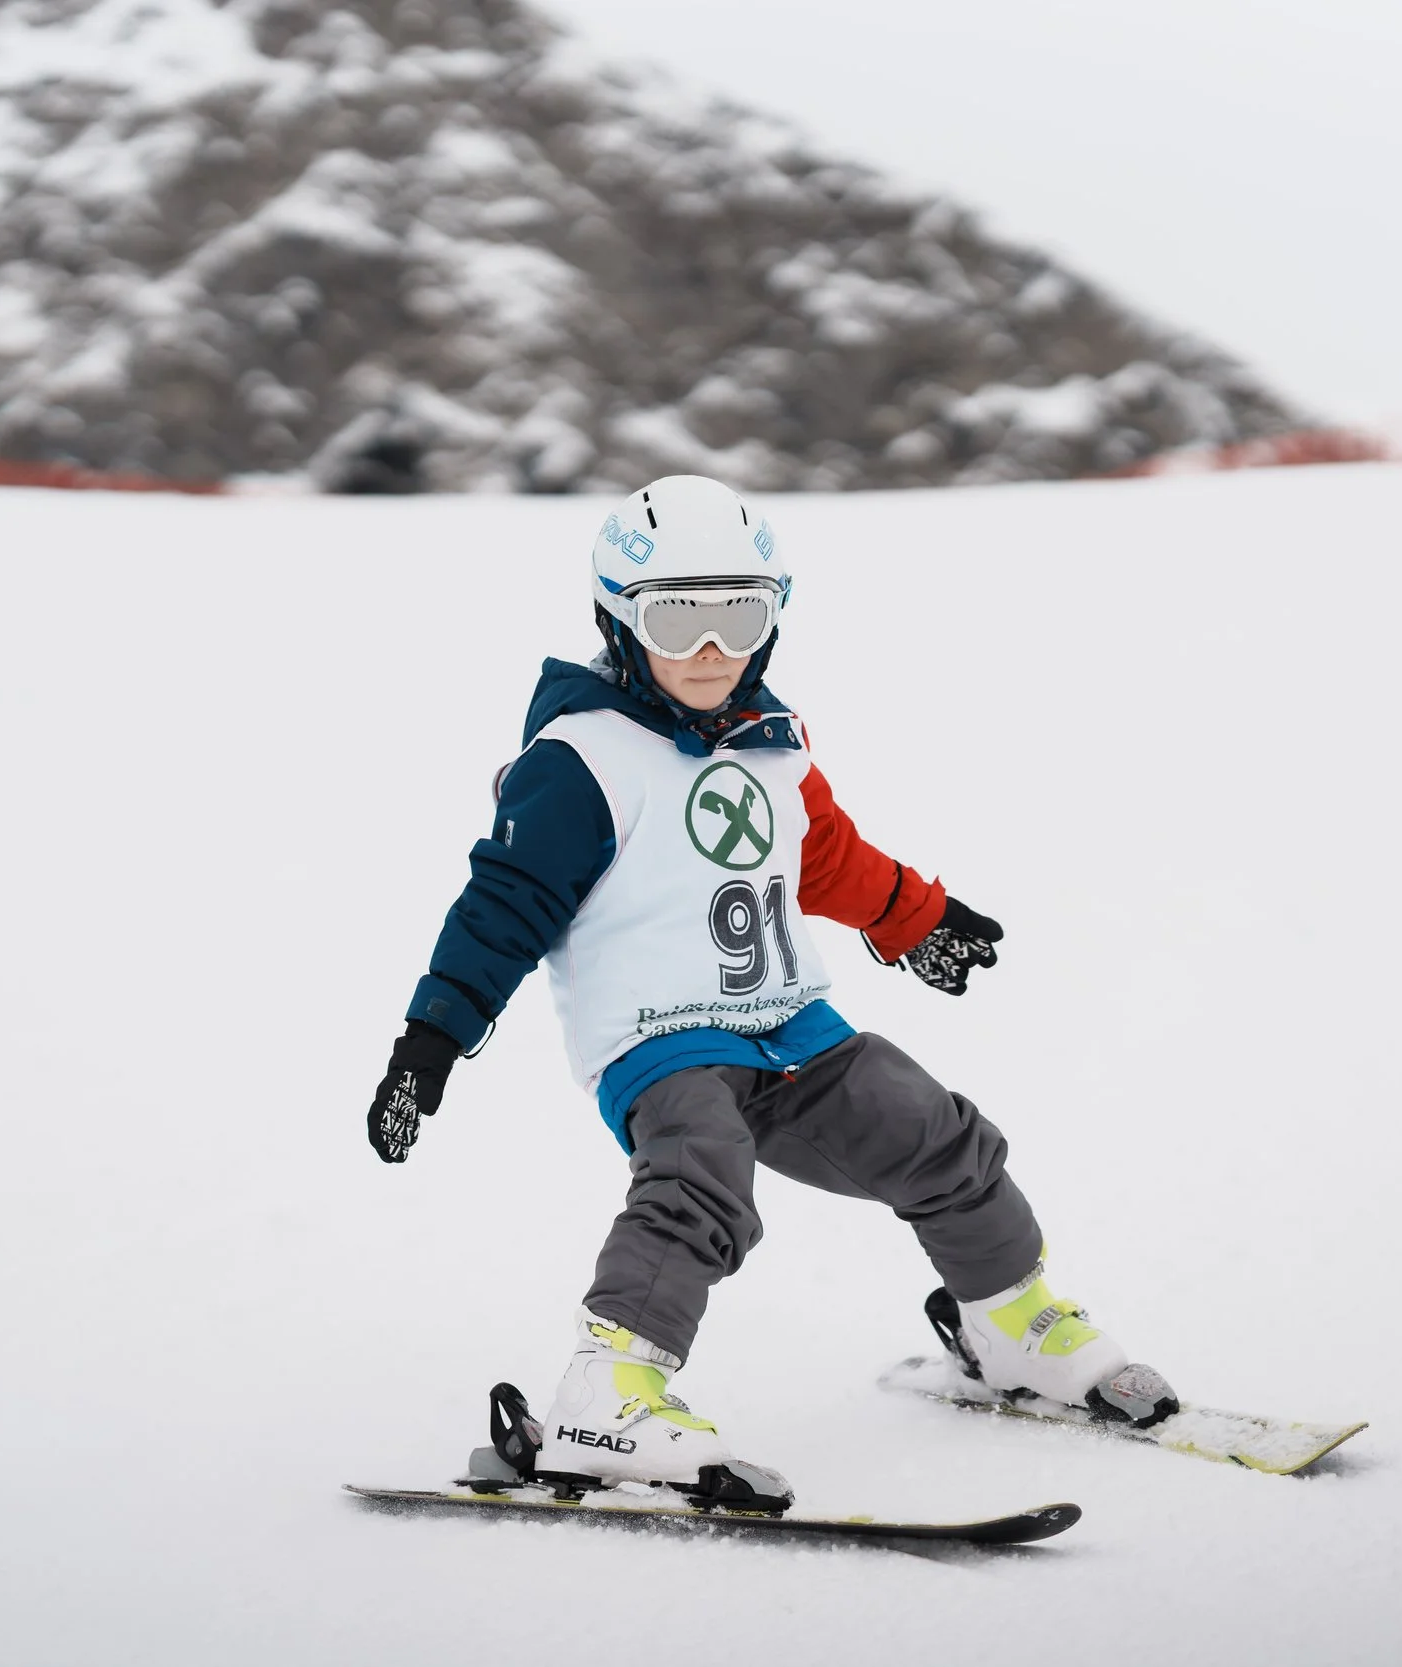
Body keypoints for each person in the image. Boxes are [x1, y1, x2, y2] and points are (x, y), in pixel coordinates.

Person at [367, 475, 1175, 1502]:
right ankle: (607, 1396)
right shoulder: (579, 761)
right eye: (678, 620)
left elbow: (824, 857)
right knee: (700, 1173)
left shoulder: (770, 741)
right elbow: (504, 905)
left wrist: (917, 918)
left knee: (936, 1132)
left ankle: (1010, 1323)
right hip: (659, 1038)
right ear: (618, 620)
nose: (712, 650)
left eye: (739, 618)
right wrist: (430, 1039)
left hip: (791, 1025)